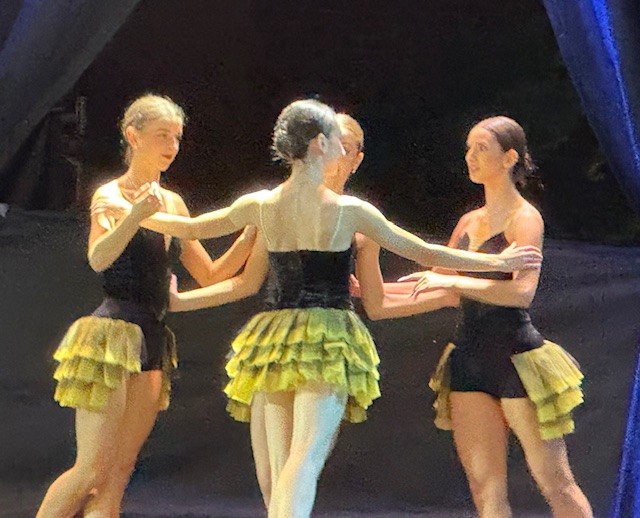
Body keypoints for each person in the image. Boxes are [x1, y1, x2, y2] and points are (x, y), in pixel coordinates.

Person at [129, 99, 541, 517]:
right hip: (326, 336)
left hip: (273, 339)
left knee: (286, 466)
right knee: (302, 459)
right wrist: (496, 263)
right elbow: (421, 250)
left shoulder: (262, 204)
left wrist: (136, 215)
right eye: (336, 141)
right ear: (320, 144)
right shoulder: (348, 211)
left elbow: (191, 227)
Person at [36, 94, 256, 518]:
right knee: (91, 469)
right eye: (162, 135)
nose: (171, 145)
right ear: (133, 136)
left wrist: (248, 236)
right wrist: (135, 214)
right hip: (112, 335)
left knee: (120, 469)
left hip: (152, 339)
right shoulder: (111, 195)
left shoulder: (173, 204)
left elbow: (210, 273)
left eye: (176, 137)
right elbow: (99, 258)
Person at [397, 116, 592, 518]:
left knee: (555, 482)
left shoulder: (525, 218)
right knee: (486, 491)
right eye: (468, 148)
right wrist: (374, 294)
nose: (470, 156)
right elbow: (438, 287)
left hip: (515, 358)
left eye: (481, 148)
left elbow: (521, 293)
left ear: (509, 158)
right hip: (469, 359)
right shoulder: (468, 222)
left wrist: (451, 281)